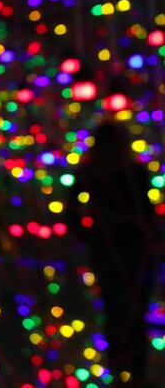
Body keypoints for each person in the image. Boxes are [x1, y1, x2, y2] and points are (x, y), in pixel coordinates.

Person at [66, 121, 160, 388]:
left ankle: (124, 370)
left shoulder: (98, 172)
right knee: (131, 308)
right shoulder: (120, 171)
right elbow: (147, 214)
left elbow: (71, 211)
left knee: (119, 309)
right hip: (127, 250)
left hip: (119, 250)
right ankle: (133, 371)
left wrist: (87, 236)